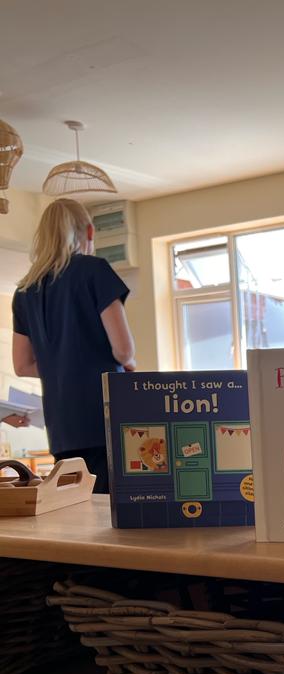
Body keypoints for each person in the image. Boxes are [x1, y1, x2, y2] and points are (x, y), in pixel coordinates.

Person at [11, 198, 136, 493]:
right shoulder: (95, 271)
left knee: (78, 508)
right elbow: (123, 351)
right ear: (89, 232)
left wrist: (62, 363)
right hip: (105, 416)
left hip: (62, 426)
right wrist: (126, 364)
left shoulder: (25, 291)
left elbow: (23, 365)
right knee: (114, 508)